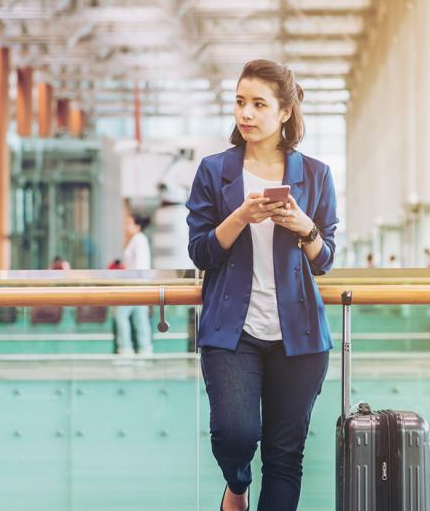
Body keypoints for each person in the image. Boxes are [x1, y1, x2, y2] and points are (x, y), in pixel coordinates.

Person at [186, 59, 338, 511]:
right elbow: (200, 252)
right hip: (233, 331)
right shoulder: (214, 171)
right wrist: (240, 217)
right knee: (235, 434)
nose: (245, 114)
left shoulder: (315, 174)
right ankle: (236, 485)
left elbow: (324, 259)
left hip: (301, 334)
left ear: (285, 112)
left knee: (285, 457)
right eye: (239, 102)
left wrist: (305, 226)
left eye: (258, 104)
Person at [114, 211, 153, 355]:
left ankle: (125, 348)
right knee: (140, 319)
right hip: (137, 285)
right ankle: (144, 348)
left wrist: (135, 287)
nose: (125, 227)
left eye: (129, 224)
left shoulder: (139, 239)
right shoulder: (135, 240)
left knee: (121, 315)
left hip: (136, 286)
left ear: (137, 226)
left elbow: (140, 265)